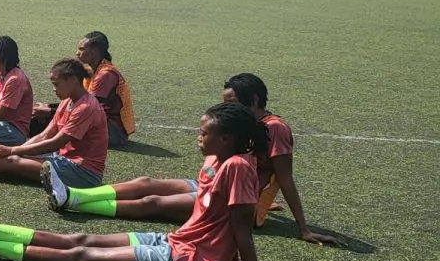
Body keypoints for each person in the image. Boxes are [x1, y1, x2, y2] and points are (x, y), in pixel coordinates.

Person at [0, 103, 303, 261]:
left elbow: (241, 230)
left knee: (83, 255)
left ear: (226, 139)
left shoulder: (239, 168)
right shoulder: (222, 160)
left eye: (204, 133)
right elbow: (223, 225)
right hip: (176, 243)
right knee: (80, 237)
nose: (199, 139)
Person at [47, 73, 342, 246]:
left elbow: (285, 177)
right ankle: (76, 193)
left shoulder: (275, 128)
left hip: (234, 200)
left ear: (252, 102)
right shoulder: (239, 125)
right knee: (147, 182)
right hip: (220, 184)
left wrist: (302, 227)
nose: (223, 106)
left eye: (231, 102)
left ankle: (72, 201)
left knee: (153, 204)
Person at [0, 57, 107, 187]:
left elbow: (55, 142)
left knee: (12, 161)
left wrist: (12, 151)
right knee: (10, 157)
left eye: (56, 84)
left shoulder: (86, 107)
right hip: (65, 161)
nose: (54, 89)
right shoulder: (67, 101)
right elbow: (45, 135)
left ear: (73, 80)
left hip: (83, 174)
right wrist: (18, 149)